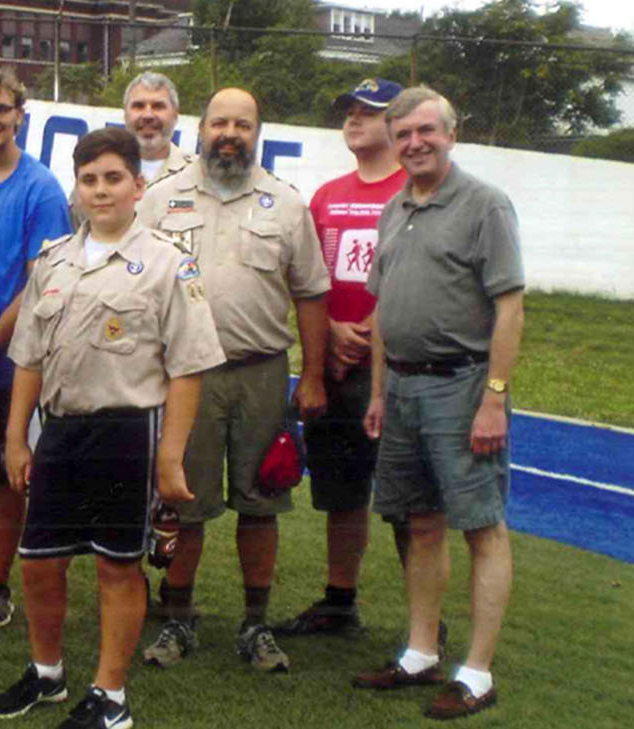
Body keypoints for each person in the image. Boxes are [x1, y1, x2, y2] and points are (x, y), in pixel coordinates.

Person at [0, 127, 224, 728]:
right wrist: (16, 438)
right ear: (77, 186)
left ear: (139, 185)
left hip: (128, 434)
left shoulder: (171, 264)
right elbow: (29, 357)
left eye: (114, 177)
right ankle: (47, 673)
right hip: (60, 432)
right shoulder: (54, 260)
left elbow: (189, 367)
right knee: (38, 562)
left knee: (118, 566)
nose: (100, 190)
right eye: (89, 179)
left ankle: (110, 698)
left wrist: (171, 458)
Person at [137, 87, 330, 672]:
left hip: (260, 373)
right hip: (184, 375)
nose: (230, 133)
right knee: (182, 502)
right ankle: (177, 622)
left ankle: (255, 625)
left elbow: (311, 293)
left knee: (262, 503)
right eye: (219, 122)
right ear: (200, 129)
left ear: (257, 132)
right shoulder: (160, 198)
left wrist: (314, 376)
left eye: (242, 125)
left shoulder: (286, 204)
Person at [352, 86, 523, 721]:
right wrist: (376, 391)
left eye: (427, 131)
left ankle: (476, 672)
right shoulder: (395, 209)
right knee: (418, 522)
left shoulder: (486, 206)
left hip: (462, 386)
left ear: (451, 134)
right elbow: (383, 310)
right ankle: (421, 652)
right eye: (404, 134)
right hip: (400, 388)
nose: (415, 142)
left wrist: (494, 399)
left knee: (481, 526)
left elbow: (509, 307)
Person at [274, 78, 410, 639]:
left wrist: (373, 331)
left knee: (408, 500)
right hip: (336, 363)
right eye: (349, 112)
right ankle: (339, 599)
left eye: (369, 112)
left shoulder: (412, 189)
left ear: (396, 123)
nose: (354, 120)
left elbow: (418, 272)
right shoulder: (328, 195)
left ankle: (424, 620)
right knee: (341, 493)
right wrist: (328, 330)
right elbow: (309, 279)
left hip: (395, 366)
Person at [0, 62, 72, 629]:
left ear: (20, 115)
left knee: (8, 476)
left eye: (3, 109)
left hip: (8, 367)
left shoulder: (41, 188)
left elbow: (36, 285)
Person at [69, 71, 193, 226]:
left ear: (175, 115)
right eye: (138, 106)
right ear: (125, 115)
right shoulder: (93, 176)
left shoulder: (197, 175)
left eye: (158, 106)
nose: (148, 115)